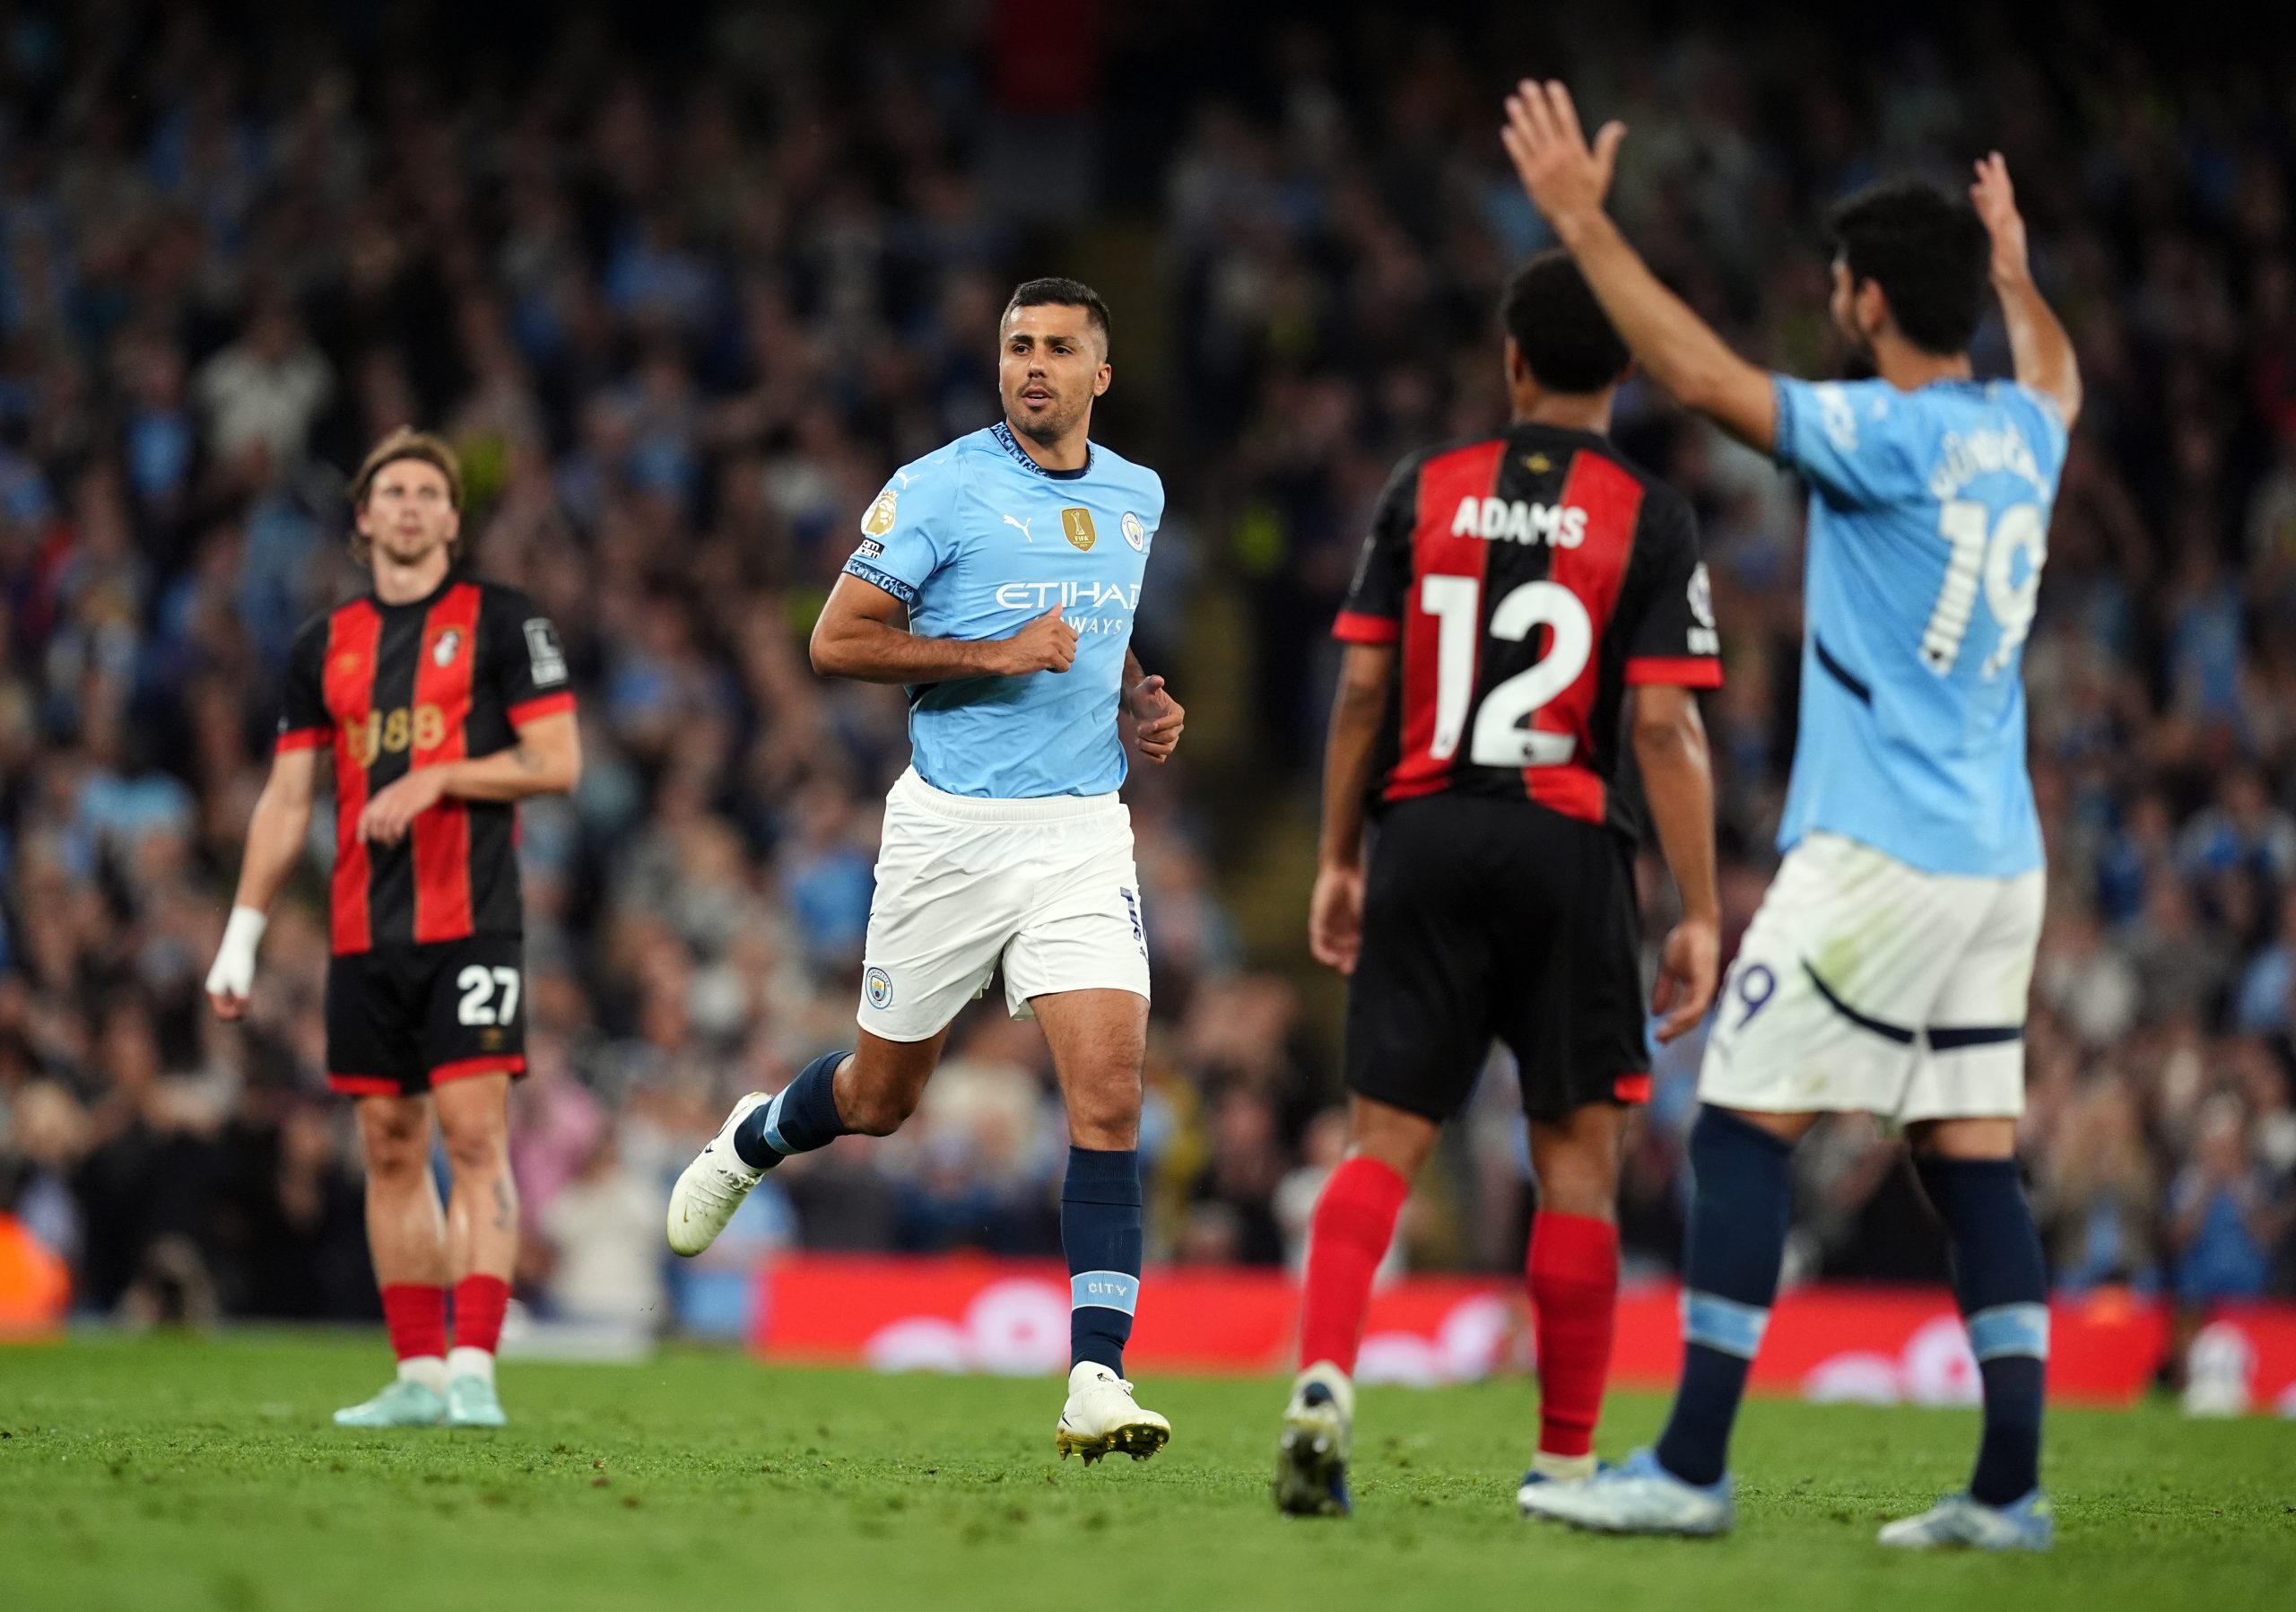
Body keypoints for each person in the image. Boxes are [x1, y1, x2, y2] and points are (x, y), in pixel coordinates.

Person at [1500, 83, 2079, 1551]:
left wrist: (1581, 222)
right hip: (2000, 861)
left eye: (1837, 288)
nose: (1829, 305)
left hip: (1879, 853)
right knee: (1968, 1155)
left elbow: (1696, 375)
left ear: (1872, 302)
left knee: (1743, 1131)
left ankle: (1691, 1461)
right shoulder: (2025, 427)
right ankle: (2010, 1490)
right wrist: (2017, 275)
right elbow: (2059, 374)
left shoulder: (1881, 433)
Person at [665, 279, 1187, 1463]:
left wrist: (1138, 695)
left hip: (1081, 832)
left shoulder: (1136, 495)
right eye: (1018, 347)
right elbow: (835, 638)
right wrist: (993, 655)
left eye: (1059, 349)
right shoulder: (939, 487)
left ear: (1102, 374)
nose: (1035, 366)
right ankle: (756, 1135)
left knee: (1108, 1098)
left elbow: (1099, 629)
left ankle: (1097, 1373)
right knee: (881, 1101)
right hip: (950, 833)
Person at [1272, 248, 1723, 1517]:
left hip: (1421, 826)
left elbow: (1362, 685)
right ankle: (1567, 1461)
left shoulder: (1428, 487)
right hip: (1570, 841)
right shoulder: (1652, 512)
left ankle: (1321, 1383)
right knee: (1576, 1165)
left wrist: (1336, 855)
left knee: (1383, 1146)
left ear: (1511, 360)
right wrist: (1698, 908)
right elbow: (1665, 732)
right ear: (1629, 368)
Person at [207, 429, 582, 1428]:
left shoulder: (503, 622)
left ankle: (475, 1370)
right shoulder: (321, 647)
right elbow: (288, 800)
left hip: (473, 925)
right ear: (363, 519)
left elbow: (556, 761)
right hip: (362, 933)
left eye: (430, 492)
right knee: (385, 1143)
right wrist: (242, 933)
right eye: (394, 492)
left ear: (453, 521)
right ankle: (418, 1375)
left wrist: (441, 775)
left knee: (470, 1133)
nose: (412, 505)